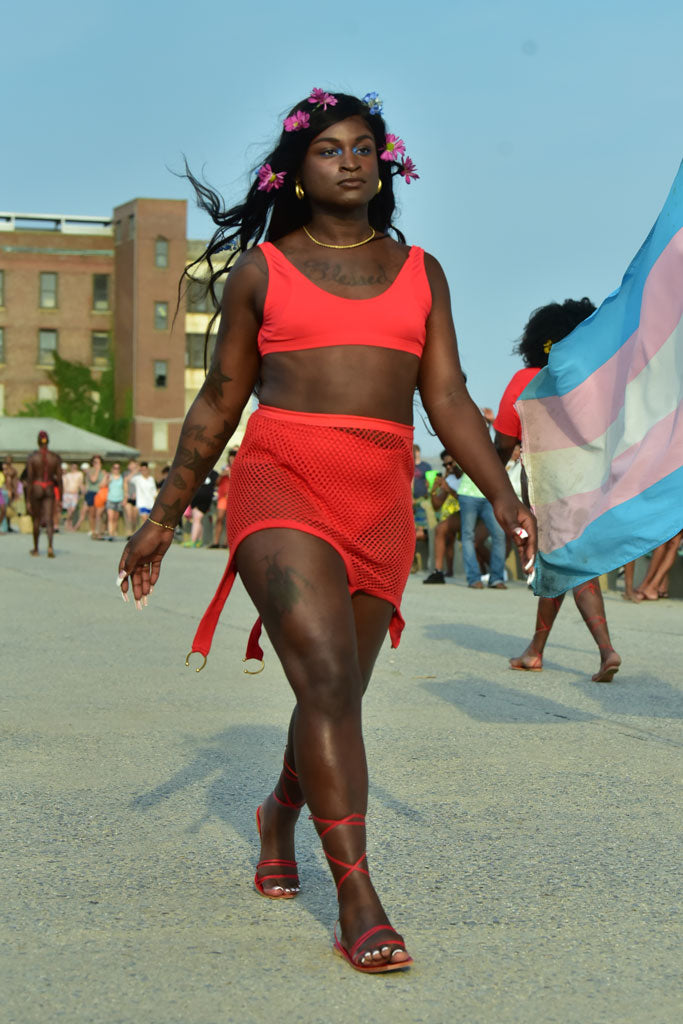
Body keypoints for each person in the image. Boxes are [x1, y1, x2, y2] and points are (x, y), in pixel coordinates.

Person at [117, 89, 536, 973]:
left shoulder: (423, 270)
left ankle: (278, 810)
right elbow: (221, 395)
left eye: (363, 147)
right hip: (282, 478)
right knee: (331, 683)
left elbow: (448, 398)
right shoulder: (262, 271)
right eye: (328, 149)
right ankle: (356, 895)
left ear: (385, 163)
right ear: (294, 173)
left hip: (380, 493)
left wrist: (501, 495)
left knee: (331, 691)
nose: (349, 160)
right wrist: (164, 514)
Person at [494, 298, 621, 683]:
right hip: (592, 485)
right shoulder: (593, 383)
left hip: (548, 489)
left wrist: (496, 485)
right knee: (558, 564)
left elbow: (501, 443)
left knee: (571, 566)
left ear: (537, 341)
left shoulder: (524, 381)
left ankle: (606, 649)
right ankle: (535, 650)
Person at [423, 451, 461, 583]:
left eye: (451, 464)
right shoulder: (448, 479)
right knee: (445, 533)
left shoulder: (465, 478)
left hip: (466, 513)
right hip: (452, 517)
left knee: (442, 529)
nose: (448, 467)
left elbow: (466, 500)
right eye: (445, 465)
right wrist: (433, 490)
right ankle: (442, 571)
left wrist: (449, 489)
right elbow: (436, 506)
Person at [25, 430, 62, 557]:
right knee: (49, 519)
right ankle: (50, 547)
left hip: (37, 487)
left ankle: (36, 549)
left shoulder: (33, 458)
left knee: (36, 519)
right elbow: (60, 479)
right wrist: (60, 498)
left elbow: (29, 479)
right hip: (50, 488)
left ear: (38, 441)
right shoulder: (55, 457)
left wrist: (28, 500)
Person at [105, 463, 125, 540]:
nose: (116, 469)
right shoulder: (109, 477)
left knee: (115, 518)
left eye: (118, 468)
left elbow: (124, 488)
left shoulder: (122, 478)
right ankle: (111, 534)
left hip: (119, 499)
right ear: (112, 469)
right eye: (114, 468)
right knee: (110, 517)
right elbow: (102, 485)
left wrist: (124, 499)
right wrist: (107, 480)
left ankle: (113, 532)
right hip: (110, 499)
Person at [61, 462, 84, 530]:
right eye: (72, 467)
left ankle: (67, 521)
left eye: (75, 467)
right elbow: (64, 484)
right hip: (67, 493)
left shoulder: (79, 474)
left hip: (74, 494)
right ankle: (69, 523)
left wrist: (83, 490)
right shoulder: (67, 475)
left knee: (72, 509)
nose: (74, 468)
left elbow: (80, 483)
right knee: (68, 510)